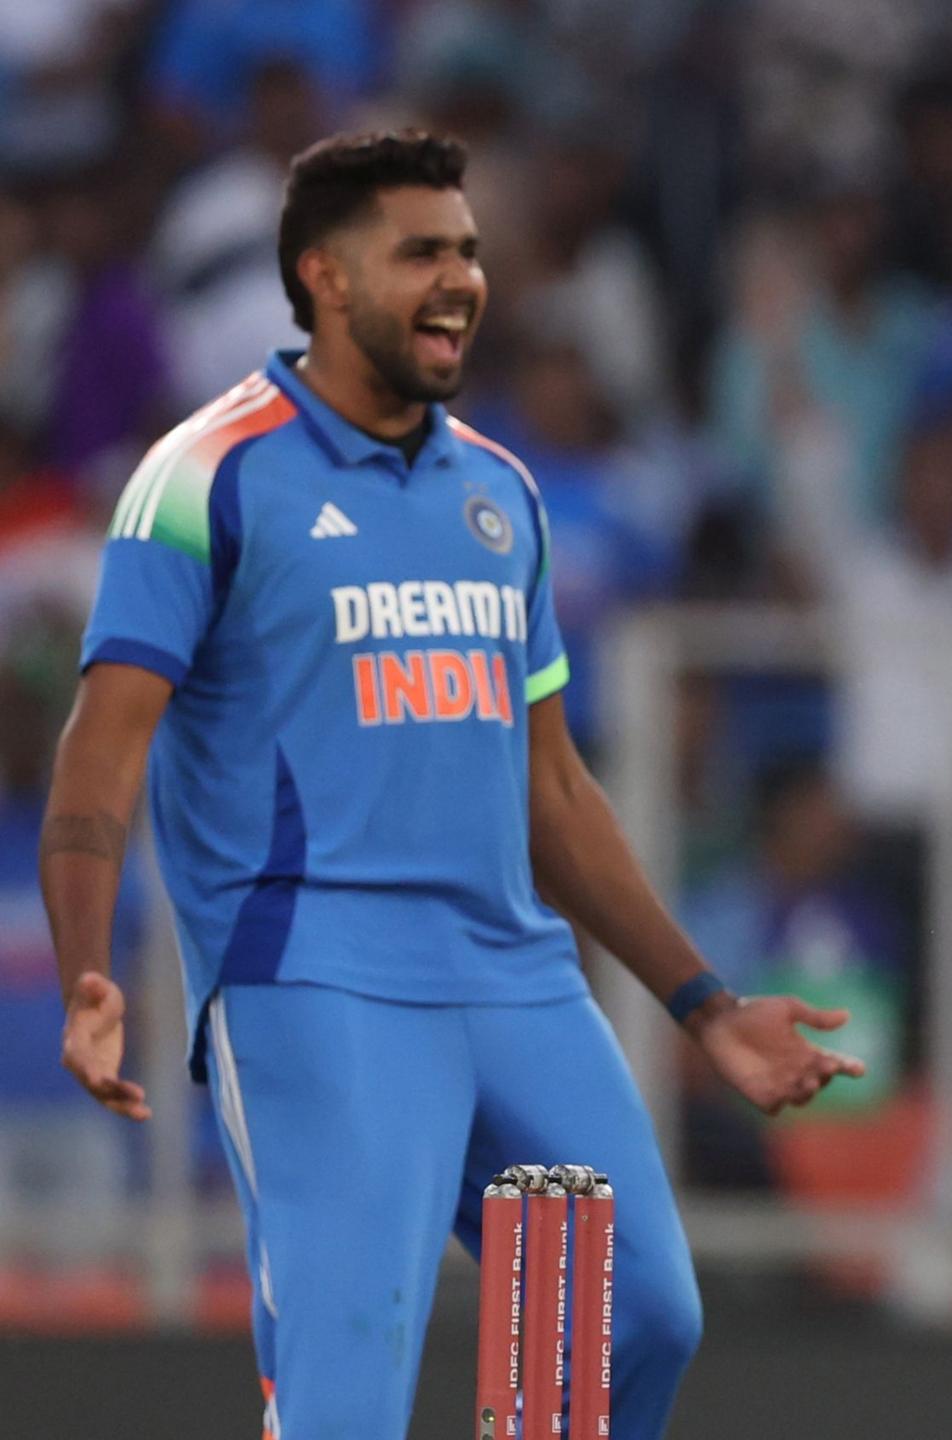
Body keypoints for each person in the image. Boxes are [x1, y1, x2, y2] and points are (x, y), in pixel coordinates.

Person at [39, 130, 862, 1438]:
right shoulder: (202, 477)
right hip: (314, 977)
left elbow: (555, 790)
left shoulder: (504, 491)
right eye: (420, 251)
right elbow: (100, 748)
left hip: (515, 976)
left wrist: (702, 1005)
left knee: (643, 1318)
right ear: (322, 275)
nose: (461, 278)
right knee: (349, 1387)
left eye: (469, 252)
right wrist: (89, 962)